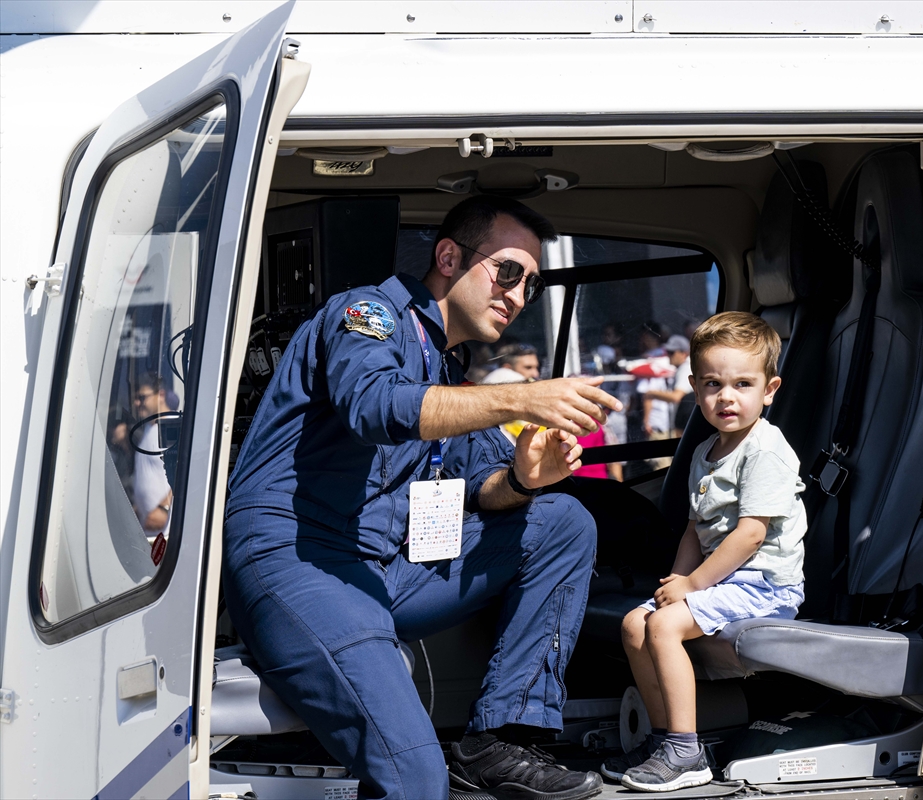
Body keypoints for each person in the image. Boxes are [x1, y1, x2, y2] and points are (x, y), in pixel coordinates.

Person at [223, 195, 624, 800]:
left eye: (531, 287)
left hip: (380, 570)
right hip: (300, 560)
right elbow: (375, 407)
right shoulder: (366, 315)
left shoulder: (445, 371)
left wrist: (523, 480)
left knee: (562, 519)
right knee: (414, 777)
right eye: (507, 272)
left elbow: (481, 488)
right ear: (448, 256)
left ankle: (498, 741)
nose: (516, 297)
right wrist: (520, 397)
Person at [607, 312, 807, 792]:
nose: (727, 397)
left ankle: (685, 749)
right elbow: (696, 532)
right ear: (695, 389)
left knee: (664, 625)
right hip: (725, 579)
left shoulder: (766, 449)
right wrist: (674, 585)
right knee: (637, 622)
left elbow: (749, 536)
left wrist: (693, 586)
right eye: (714, 385)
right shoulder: (706, 452)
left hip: (765, 585)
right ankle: (665, 741)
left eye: (742, 384)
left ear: (770, 389)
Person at [130, 373, 173, 539]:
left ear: (161, 394)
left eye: (142, 397)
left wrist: (164, 509)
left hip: (168, 533)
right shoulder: (149, 429)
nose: (136, 403)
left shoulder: (172, 426)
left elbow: (188, 474)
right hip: (149, 534)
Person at [641, 335, 694, 437]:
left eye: (671, 352)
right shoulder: (683, 368)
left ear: (683, 354)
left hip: (684, 427)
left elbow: (676, 397)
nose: (668, 355)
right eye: (667, 352)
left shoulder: (685, 368)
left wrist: (651, 393)